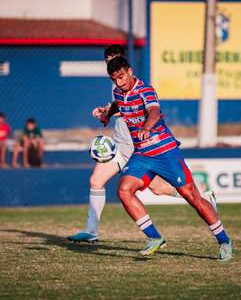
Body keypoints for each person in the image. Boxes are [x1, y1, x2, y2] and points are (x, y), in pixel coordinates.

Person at [68, 45, 217, 243]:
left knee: (159, 188)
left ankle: (204, 200)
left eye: (115, 58)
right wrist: (105, 113)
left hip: (138, 147)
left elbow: (143, 111)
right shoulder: (117, 87)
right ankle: (92, 230)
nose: (111, 62)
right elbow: (119, 106)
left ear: (127, 66)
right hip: (120, 146)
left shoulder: (135, 85)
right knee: (96, 181)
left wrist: (128, 119)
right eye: (108, 59)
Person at [106, 56, 232, 261]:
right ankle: (155, 238)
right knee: (124, 190)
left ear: (129, 71)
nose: (119, 83)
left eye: (121, 77)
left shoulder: (145, 90)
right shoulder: (119, 93)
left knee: (193, 198)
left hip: (165, 152)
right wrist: (106, 114)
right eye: (114, 80)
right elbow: (117, 104)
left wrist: (146, 127)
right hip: (142, 154)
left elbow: (154, 111)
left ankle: (224, 240)